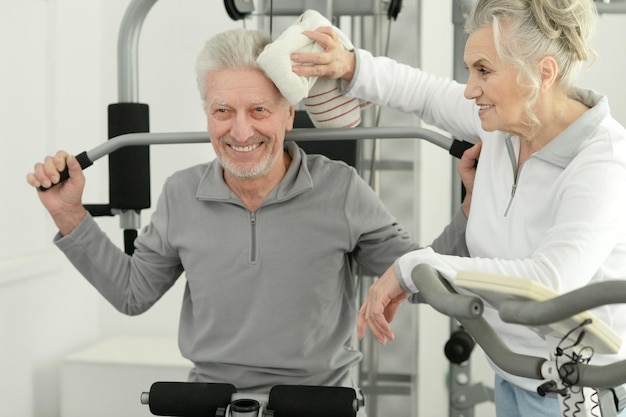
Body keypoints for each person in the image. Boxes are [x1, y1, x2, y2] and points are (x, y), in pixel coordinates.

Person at [26, 28, 468, 410]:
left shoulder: (341, 189)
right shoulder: (181, 193)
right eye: (223, 112)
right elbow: (131, 293)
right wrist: (69, 213)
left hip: (318, 403)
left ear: (288, 113)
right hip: (211, 402)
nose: (240, 132)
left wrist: (471, 205)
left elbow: (427, 278)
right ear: (207, 115)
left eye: (259, 110)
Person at [291, 0, 626, 416]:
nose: (470, 89)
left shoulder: (603, 159)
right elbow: (425, 93)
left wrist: (416, 267)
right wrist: (350, 65)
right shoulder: (509, 123)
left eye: (483, 71)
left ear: (542, 73)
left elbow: (549, 283)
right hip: (516, 373)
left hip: (581, 392)